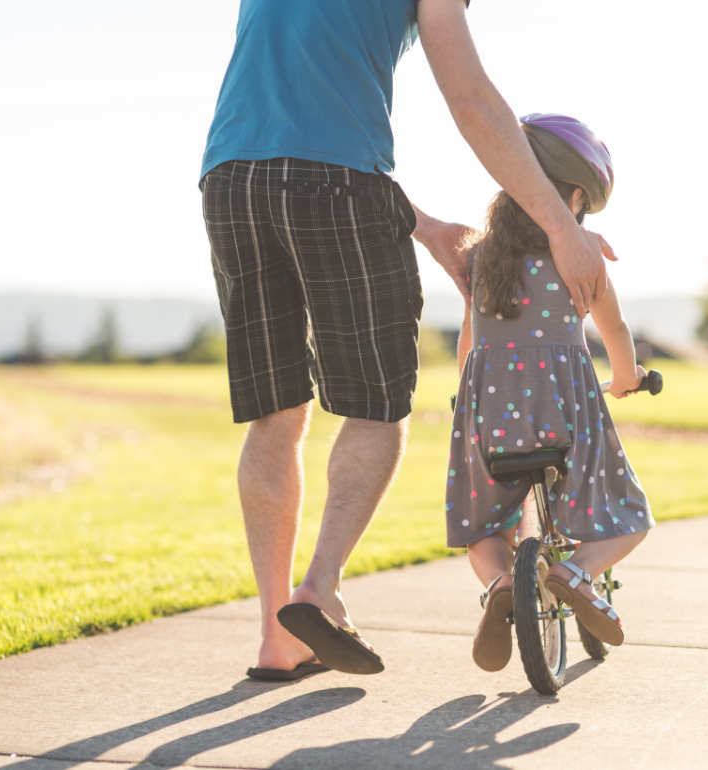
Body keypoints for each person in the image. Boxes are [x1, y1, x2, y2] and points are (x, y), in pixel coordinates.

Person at [200, 0, 616, 680]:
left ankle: (279, 640)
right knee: (376, 407)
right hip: (337, 181)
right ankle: (321, 589)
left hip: (229, 180)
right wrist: (563, 228)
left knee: (277, 412)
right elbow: (472, 100)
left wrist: (419, 223)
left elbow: (295, 115)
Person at [444, 114, 655, 672]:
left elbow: (470, 343)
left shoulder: (478, 256)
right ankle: (576, 572)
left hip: (491, 414)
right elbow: (615, 336)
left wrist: (467, 401)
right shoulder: (580, 255)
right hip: (563, 415)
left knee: (484, 525)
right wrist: (627, 377)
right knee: (631, 515)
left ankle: (498, 586)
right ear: (579, 195)